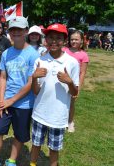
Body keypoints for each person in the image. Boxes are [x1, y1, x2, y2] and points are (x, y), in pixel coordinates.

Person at [0, 16, 39, 166]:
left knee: (20, 134)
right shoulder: (6, 53)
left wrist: (12, 100)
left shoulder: (33, 55)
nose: (16, 32)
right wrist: (2, 100)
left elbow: (31, 82)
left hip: (24, 103)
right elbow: (3, 77)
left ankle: (11, 160)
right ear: (9, 32)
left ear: (26, 31)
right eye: (13, 29)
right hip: (6, 101)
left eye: (20, 29)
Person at [30, 23, 79, 166]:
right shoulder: (40, 60)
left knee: (54, 149)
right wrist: (34, 77)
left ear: (65, 41)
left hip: (58, 116)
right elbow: (35, 91)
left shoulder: (72, 63)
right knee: (36, 144)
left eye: (58, 38)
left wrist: (69, 82)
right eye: (50, 37)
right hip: (39, 113)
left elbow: (74, 93)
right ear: (45, 40)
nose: (54, 41)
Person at [62, 29, 89, 132]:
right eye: (72, 39)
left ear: (81, 41)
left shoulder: (83, 55)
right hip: (62, 80)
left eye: (76, 39)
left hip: (73, 83)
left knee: (71, 103)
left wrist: (78, 88)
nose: (74, 41)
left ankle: (70, 122)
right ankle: (61, 120)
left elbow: (82, 73)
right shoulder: (64, 50)